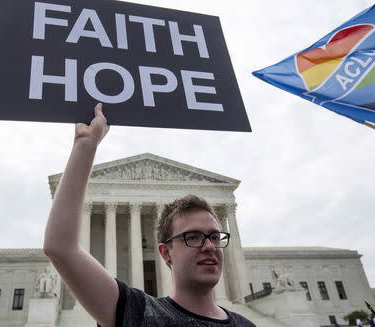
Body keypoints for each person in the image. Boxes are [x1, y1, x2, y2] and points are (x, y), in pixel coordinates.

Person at [43, 103, 255, 327]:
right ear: (166, 253)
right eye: (192, 237)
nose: (209, 246)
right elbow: (61, 248)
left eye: (214, 236)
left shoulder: (246, 325)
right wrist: (85, 144)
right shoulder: (141, 315)